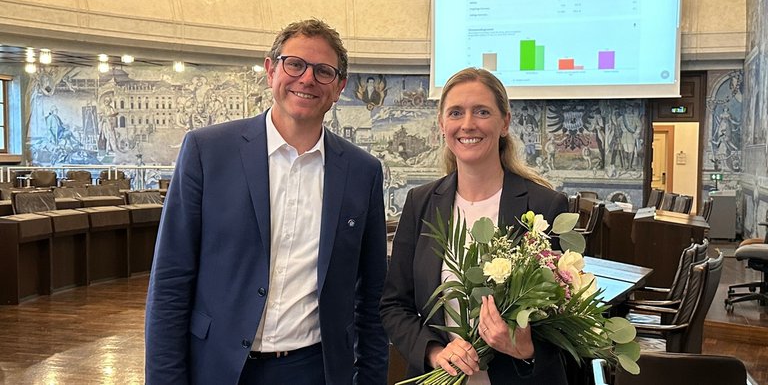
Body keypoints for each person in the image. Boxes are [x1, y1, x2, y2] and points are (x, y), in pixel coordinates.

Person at [145, 19, 389, 385]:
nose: (307, 79)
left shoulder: (362, 172)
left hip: (313, 370)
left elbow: (370, 298)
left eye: (324, 72)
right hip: (217, 367)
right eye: (295, 64)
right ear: (270, 69)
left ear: (339, 88)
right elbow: (170, 281)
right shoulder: (206, 152)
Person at [380, 67, 569, 385]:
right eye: (456, 112)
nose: (468, 124)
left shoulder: (545, 206)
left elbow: (565, 318)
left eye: (482, 112)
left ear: (505, 122)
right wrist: (435, 352)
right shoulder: (420, 203)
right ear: (442, 124)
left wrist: (526, 347)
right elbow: (394, 305)